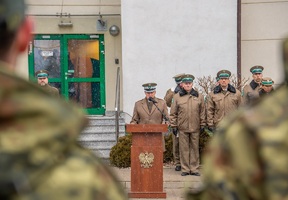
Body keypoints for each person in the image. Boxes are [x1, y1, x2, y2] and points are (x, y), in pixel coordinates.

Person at [0, 1, 127, 199]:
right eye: (40, 78)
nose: (42, 80)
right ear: (25, 35)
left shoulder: (51, 93)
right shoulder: (84, 178)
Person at [186, 32, 288, 200]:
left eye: (260, 75)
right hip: (221, 125)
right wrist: (209, 124)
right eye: (222, 80)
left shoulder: (238, 96)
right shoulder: (244, 107)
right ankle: (186, 168)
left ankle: (193, 167)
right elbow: (211, 110)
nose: (224, 82)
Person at [170, 74, 206, 176]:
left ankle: (194, 168)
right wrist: (174, 126)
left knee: (194, 148)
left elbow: (202, 111)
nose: (188, 85)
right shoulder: (177, 97)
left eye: (190, 83)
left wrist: (203, 124)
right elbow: (173, 113)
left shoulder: (199, 96)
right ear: (182, 85)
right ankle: (185, 169)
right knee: (184, 148)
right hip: (182, 127)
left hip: (195, 126)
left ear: (192, 84)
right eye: (186, 83)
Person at [130, 83, 169, 151]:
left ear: (155, 92)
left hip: (157, 135)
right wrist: (133, 127)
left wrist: (164, 124)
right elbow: (134, 120)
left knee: (157, 157)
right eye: (148, 93)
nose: (150, 95)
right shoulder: (138, 104)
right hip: (143, 136)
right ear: (145, 92)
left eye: (152, 92)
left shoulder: (162, 103)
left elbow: (166, 118)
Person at [164, 73, 184, 171]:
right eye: (178, 83)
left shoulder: (190, 90)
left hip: (187, 119)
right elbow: (166, 103)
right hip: (175, 119)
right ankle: (178, 162)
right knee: (176, 143)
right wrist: (172, 92)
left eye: (181, 82)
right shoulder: (172, 91)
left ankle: (186, 162)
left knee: (186, 143)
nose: (180, 84)